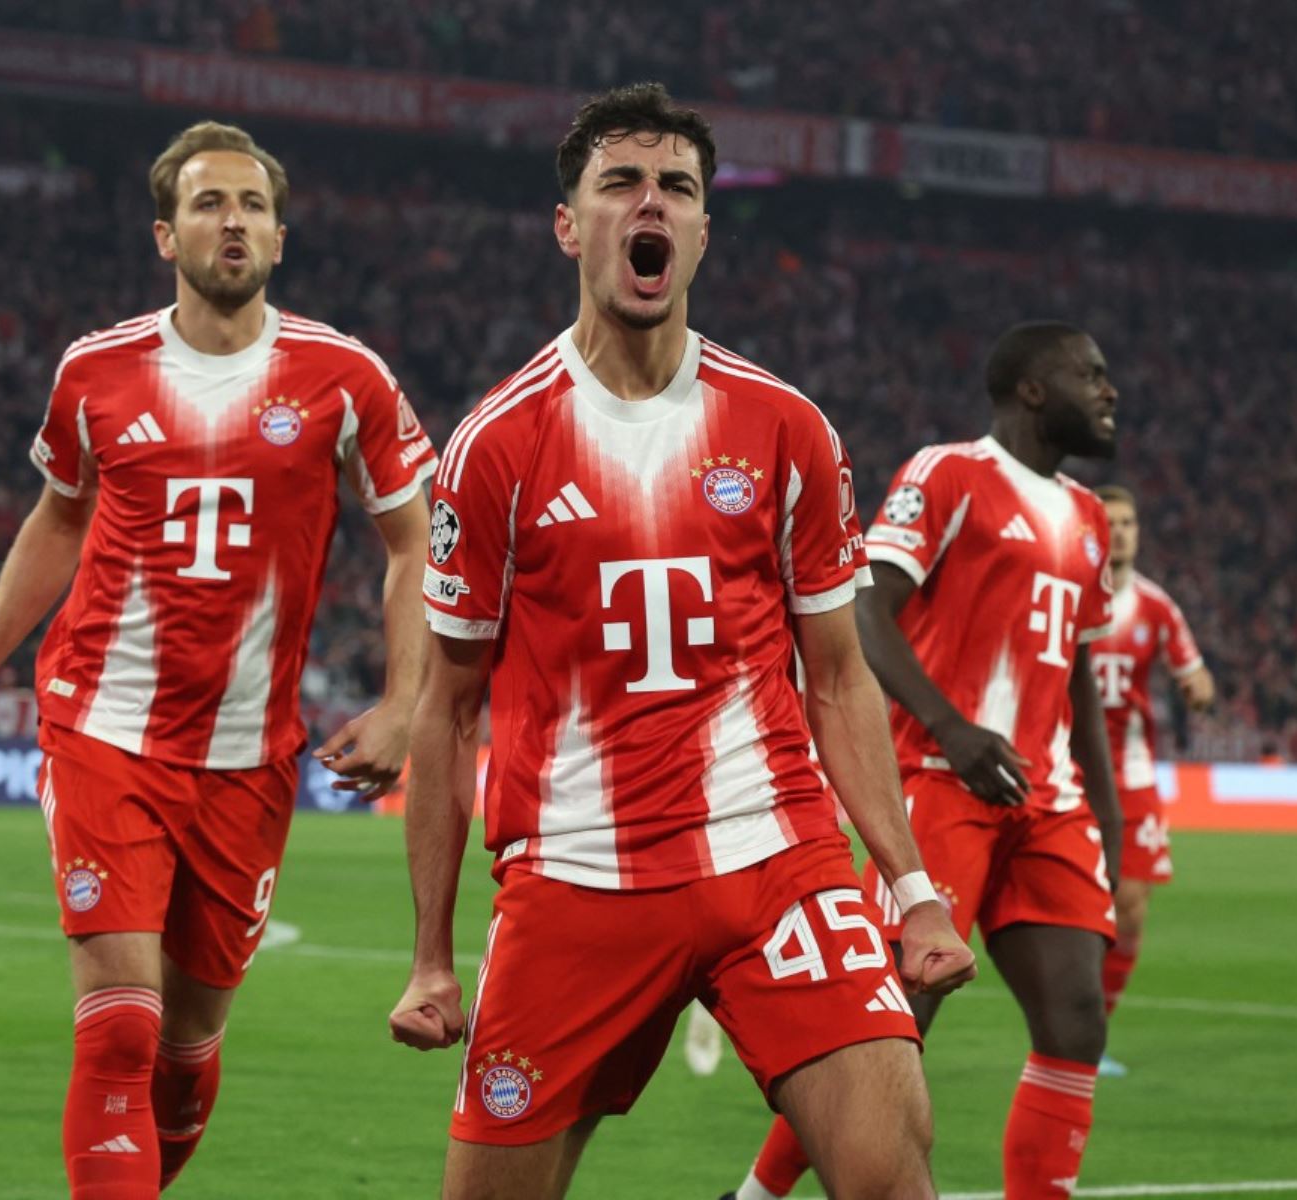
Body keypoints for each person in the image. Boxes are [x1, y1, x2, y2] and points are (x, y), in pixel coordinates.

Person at [388, 83, 975, 1200]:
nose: (648, 203)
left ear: (703, 230)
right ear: (572, 225)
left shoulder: (788, 427)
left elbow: (840, 680)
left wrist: (910, 885)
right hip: (577, 874)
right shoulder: (496, 446)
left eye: (678, 188)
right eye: (620, 183)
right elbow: (449, 705)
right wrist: (431, 954)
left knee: (890, 1171)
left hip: (774, 860)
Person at [0, 121, 435, 1199]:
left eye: (252, 205)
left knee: (187, 1048)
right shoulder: (97, 371)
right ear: (168, 235)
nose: (233, 222)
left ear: (281, 238)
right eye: (209, 204)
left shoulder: (345, 377)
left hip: (250, 757)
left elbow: (412, 539)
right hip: (103, 727)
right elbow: (58, 521)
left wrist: (406, 704)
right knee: (117, 1027)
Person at [729, 320, 1123, 1200]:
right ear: (1031, 388)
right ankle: (757, 1196)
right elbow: (868, 612)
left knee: (1077, 1022)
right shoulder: (947, 474)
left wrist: (1109, 819)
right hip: (941, 784)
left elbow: (1081, 683)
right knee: (896, 1016)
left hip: (1047, 799)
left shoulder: (1091, 518)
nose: (1110, 391)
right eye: (1090, 374)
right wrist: (949, 728)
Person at [1090, 484, 1213, 1071]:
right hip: (1066, 768)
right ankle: (1066, 1025)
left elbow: (1197, 674)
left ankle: (1092, 1035)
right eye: (1109, 521)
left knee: (1132, 906)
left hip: (1132, 776)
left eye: (1128, 521)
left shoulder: (1157, 607)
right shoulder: (1066, 597)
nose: (1119, 531)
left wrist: (1199, 692)